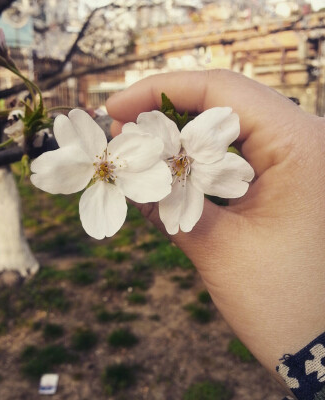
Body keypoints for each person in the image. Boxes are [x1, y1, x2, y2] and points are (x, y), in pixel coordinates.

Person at [106, 69, 325, 399]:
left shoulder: (197, 161)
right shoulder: (169, 154)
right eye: (177, 162)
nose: (179, 165)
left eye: (181, 162)